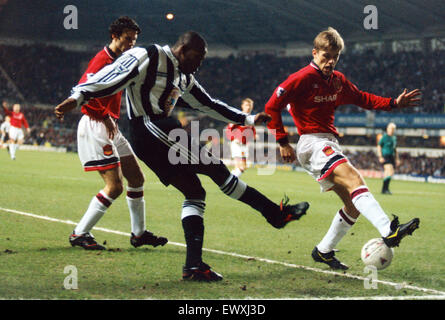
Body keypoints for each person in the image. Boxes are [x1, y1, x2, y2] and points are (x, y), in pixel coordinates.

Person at [55, 31, 310, 281]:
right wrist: (78, 96)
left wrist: (248, 119)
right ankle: (274, 214)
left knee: (195, 192)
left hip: (157, 134)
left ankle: (193, 266)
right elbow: (113, 75)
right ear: (183, 49)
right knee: (217, 169)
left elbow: (207, 103)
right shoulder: (149, 55)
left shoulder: (183, 76)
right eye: (197, 58)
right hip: (150, 127)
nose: (199, 65)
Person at [265, 27, 420, 270]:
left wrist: (393, 103)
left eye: (334, 57)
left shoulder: (338, 81)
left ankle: (323, 251)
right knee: (355, 177)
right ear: (314, 53)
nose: (329, 62)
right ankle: (389, 231)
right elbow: (271, 106)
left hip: (327, 142)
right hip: (311, 143)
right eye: (325, 56)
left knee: (353, 205)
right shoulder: (302, 78)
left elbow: (363, 98)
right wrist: (283, 141)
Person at [62, 16, 167, 251]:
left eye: (134, 40)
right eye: (128, 39)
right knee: (115, 187)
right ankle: (79, 233)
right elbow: (84, 92)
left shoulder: (122, 61)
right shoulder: (102, 60)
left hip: (111, 126)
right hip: (96, 124)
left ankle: (138, 235)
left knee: (137, 179)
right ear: (114, 36)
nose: (131, 44)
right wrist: (106, 115)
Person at [225, 98, 257, 177]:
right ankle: (228, 181)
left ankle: (230, 180)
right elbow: (228, 129)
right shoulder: (238, 116)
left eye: (250, 105)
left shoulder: (251, 119)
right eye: (246, 105)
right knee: (240, 166)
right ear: (242, 106)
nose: (248, 107)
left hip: (244, 146)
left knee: (242, 167)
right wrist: (233, 139)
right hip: (237, 144)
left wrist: (253, 136)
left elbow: (252, 131)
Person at [377, 122, 399, 195]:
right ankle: (385, 189)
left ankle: (384, 189)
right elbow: (379, 146)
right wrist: (380, 156)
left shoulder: (394, 138)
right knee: (389, 171)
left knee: (388, 173)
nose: (392, 130)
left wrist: (397, 159)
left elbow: (395, 149)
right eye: (390, 128)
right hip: (385, 156)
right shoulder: (384, 137)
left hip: (391, 156)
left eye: (393, 129)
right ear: (387, 129)